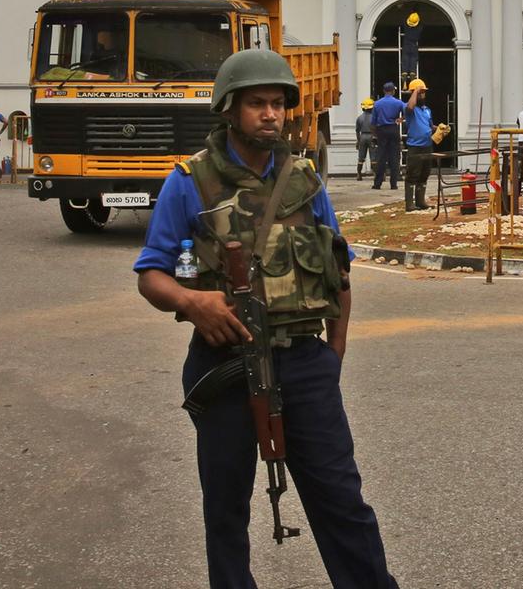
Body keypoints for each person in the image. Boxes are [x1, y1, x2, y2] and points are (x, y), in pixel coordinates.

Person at [133, 49, 398, 589]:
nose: (271, 114)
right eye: (257, 103)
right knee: (226, 511)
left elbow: (338, 273)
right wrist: (193, 302)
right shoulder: (190, 182)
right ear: (230, 109)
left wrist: (332, 358)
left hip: (303, 362)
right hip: (223, 364)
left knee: (341, 502)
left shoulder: (303, 181)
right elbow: (151, 274)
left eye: (278, 104)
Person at [402, 79, 435, 211]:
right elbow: (410, 106)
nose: (423, 95)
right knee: (412, 174)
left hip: (427, 145)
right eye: (420, 92)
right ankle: (410, 204)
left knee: (424, 173)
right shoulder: (410, 109)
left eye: (423, 93)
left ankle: (421, 202)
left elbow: (429, 126)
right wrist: (415, 90)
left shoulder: (427, 110)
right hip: (415, 146)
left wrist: (439, 129)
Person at [369, 82, 404, 191]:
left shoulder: (377, 104)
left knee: (381, 158)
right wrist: (401, 119)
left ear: (384, 91)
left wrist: (375, 134)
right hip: (393, 129)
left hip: (382, 130)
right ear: (393, 91)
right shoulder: (398, 103)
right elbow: (408, 111)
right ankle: (393, 184)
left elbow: (373, 122)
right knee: (394, 157)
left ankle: (377, 184)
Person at [354, 98, 375, 180]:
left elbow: (357, 131)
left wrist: (358, 141)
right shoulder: (374, 118)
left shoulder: (359, 118)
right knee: (373, 157)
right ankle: (376, 175)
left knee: (361, 157)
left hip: (362, 136)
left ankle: (359, 174)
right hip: (372, 136)